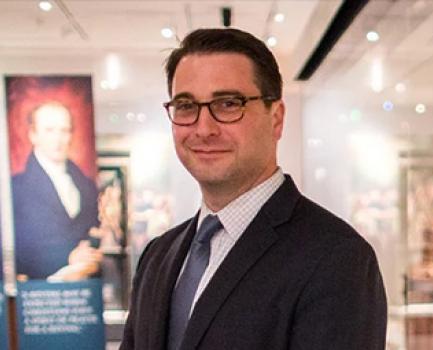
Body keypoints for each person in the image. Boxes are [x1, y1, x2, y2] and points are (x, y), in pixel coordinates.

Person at [121, 28, 387, 350]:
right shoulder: (158, 255)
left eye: (229, 104)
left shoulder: (338, 259)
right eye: (186, 106)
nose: (204, 129)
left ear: (276, 119)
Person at [12, 102, 102, 281]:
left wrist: (90, 249)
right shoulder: (16, 188)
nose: (58, 139)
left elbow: (92, 231)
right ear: (33, 135)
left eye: (64, 130)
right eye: (49, 130)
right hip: (39, 295)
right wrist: (68, 257)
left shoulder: (87, 185)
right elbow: (16, 252)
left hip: (85, 291)